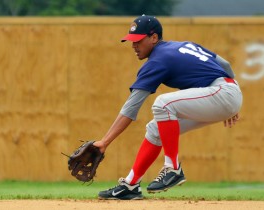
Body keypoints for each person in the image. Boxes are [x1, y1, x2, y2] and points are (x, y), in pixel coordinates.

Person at [93, 15, 243, 200]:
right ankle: (130, 185)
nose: (133, 45)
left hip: (222, 93)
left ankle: (172, 168)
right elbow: (225, 65)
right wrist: (232, 101)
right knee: (155, 128)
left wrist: (105, 142)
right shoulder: (183, 46)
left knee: (163, 104)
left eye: (138, 40)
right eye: (131, 41)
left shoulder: (158, 60)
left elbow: (131, 108)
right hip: (225, 91)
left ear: (154, 38)